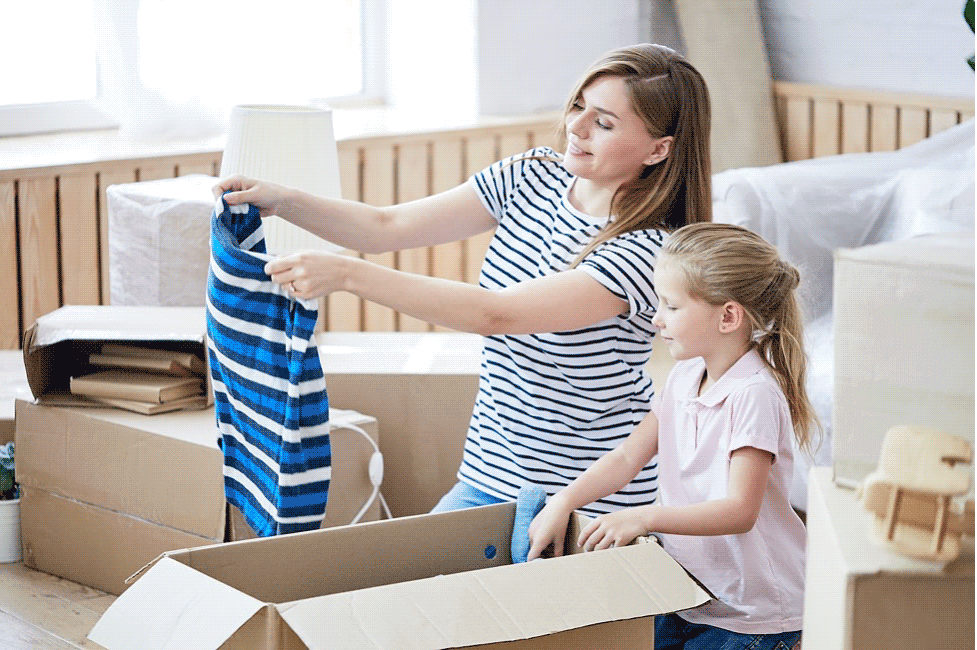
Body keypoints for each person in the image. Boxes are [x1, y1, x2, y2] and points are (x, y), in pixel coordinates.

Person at [214, 43, 712, 516]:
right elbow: (387, 226)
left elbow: (496, 314)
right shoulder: (531, 175)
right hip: (488, 472)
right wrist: (284, 201)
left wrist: (345, 273)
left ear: (658, 149)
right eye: (578, 106)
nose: (575, 126)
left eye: (603, 122)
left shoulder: (648, 250)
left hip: (587, 495)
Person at [527, 222, 815, 649]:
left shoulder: (754, 394)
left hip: (752, 617)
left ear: (728, 316)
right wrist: (564, 500)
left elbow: (740, 510)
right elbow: (628, 458)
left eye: (672, 306)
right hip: (687, 595)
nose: (656, 318)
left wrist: (643, 517)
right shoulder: (683, 377)